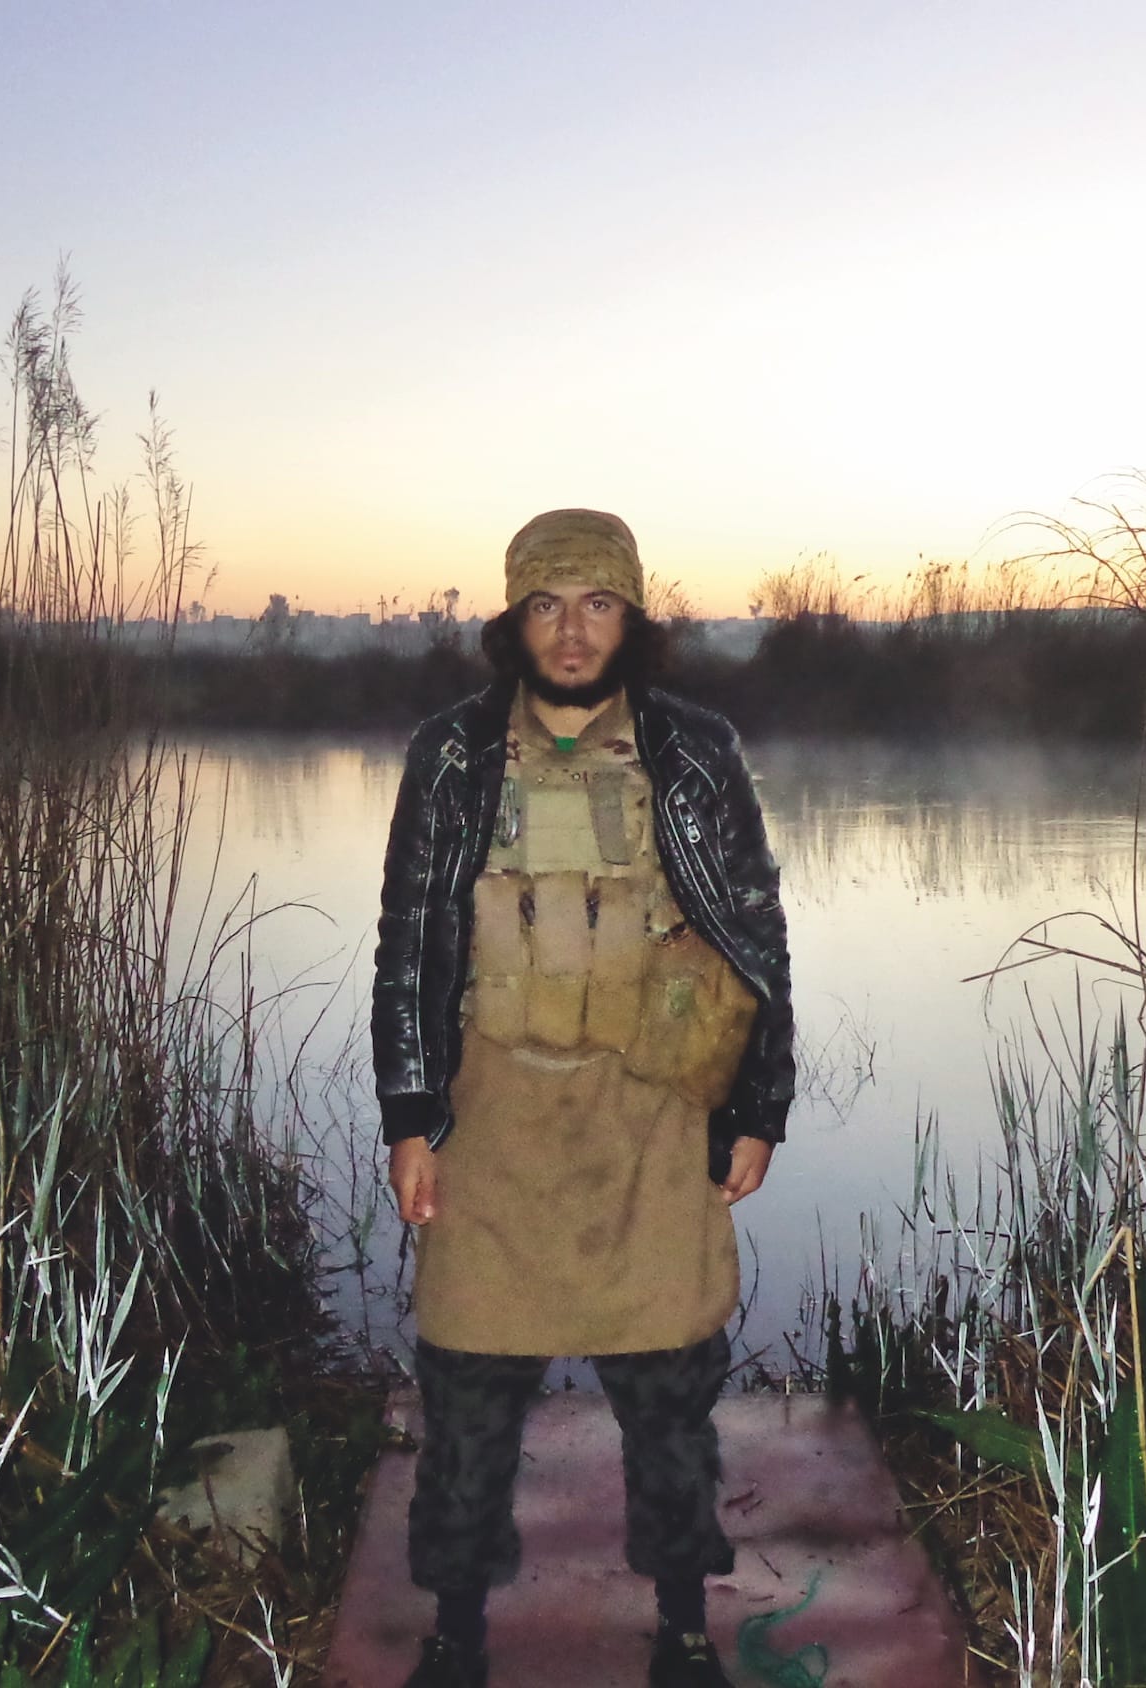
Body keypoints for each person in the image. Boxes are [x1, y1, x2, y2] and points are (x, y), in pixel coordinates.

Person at [370, 509, 795, 1688]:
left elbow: (756, 936)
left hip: (649, 1110)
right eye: (547, 603)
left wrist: (758, 1106)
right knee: (466, 1392)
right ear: (513, 619)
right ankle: (455, 1632)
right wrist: (410, 1118)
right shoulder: (450, 753)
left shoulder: (696, 747)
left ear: (632, 616)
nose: (571, 628)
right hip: (492, 1110)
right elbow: (408, 945)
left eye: (598, 601)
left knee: (670, 1394)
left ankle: (684, 1630)